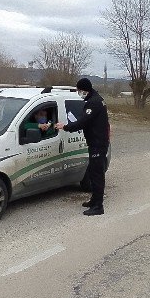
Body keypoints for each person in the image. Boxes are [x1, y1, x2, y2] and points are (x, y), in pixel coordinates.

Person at [55, 78, 110, 216]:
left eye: (79, 90)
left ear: (85, 90)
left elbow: (82, 122)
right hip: (97, 141)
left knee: (97, 174)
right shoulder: (96, 98)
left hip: (98, 143)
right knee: (93, 171)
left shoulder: (93, 103)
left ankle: (98, 206)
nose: (79, 93)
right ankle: (94, 200)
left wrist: (65, 126)